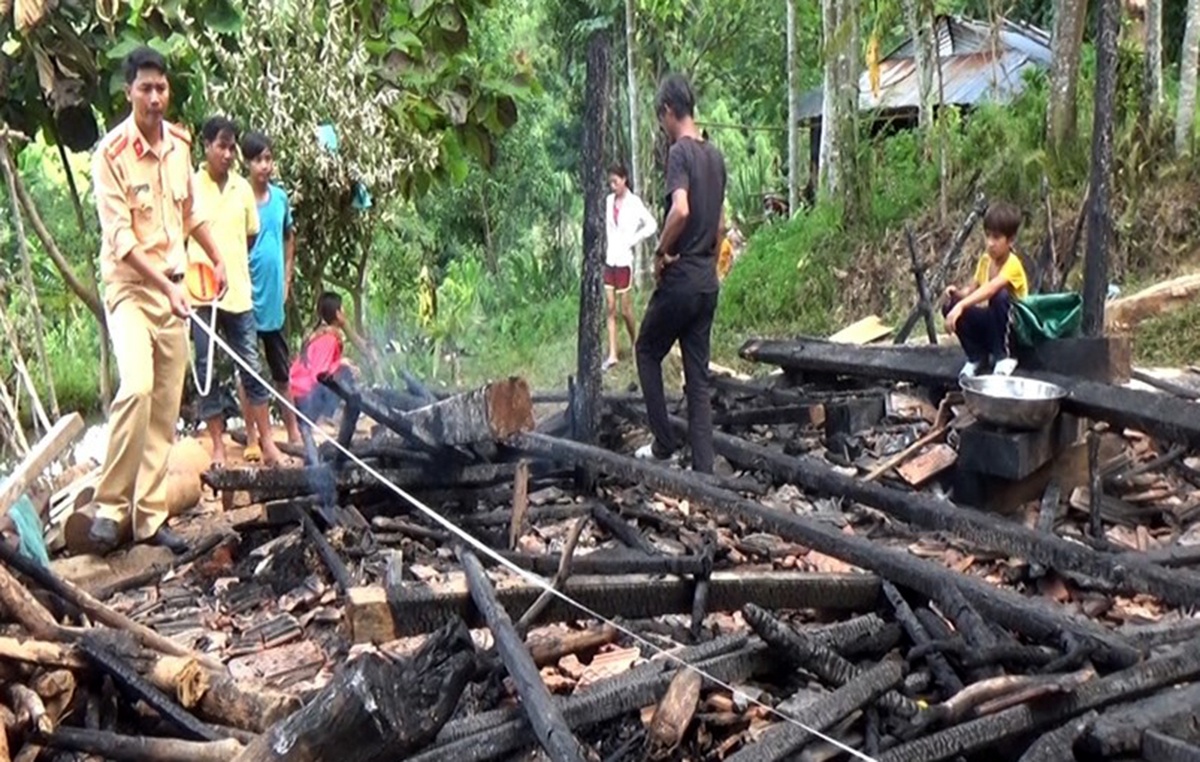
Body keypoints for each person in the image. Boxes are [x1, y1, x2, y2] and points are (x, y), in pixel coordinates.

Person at [88, 46, 227, 554]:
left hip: (175, 288)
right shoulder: (110, 155)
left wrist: (217, 258)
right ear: (128, 92)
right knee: (138, 388)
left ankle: (148, 517)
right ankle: (108, 508)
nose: (154, 97)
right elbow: (121, 240)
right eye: (145, 88)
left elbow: (190, 213)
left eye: (161, 88)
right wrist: (166, 287)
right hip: (131, 289)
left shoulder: (180, 145)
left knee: (167, 404)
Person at [634, 74, 726, 474]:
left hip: (683, 275)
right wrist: (708, 259)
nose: (663, 127)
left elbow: (681, 209)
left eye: (662, 119)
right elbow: (720, 225)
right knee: (697, 378)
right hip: (707, 280)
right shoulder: (715, 157)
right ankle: (704, 471)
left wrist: (661, 251)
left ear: (669, 111)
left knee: (646, 350)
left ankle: (663, 443)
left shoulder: (680, 154)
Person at [187, 116, 285, 468]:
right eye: (221, 146)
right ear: (206, 146)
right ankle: (217, 445)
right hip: (201, 296)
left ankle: (268, 444)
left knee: (251, 368)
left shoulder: (243, 188)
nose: (227, 154)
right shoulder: (190, 185)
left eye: (232, 148)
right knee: (206, 370)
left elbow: (250, 235)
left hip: (240, 295)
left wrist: (231, 262)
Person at [242, 131, 302, 445]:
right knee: (247, 370)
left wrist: (287, 277)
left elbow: (289, 237)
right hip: (244, 298)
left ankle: (293, 430)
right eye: (257, 160)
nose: (264, 165)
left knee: (281, 370)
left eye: (268, 158)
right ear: (247, 163)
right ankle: (253, 437)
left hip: (274, 297)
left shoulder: (280, 198)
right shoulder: (239, 197)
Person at [943, 201, 1029, 379]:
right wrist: (957, 296)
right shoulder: (985, 261)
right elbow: (971, 290)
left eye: (996, 238)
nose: (990, 243)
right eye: (987, 236)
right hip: (993, 325)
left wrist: (962, 306)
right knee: (950, 304)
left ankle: (1004, 357)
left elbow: (992, 289)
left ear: (1010, 240)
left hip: (1014, 330)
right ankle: (977, 356)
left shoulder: (1013, 264)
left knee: (999, 295)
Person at [603, 163, 657, 371]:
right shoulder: (608, 201)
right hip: (610, 258)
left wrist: (634, 239)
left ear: (624, 179)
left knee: (625, 309)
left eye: (615, 181)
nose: (613, 186)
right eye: (610, 182)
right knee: (610, 306)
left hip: (625, 259)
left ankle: (637, 343)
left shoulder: (634, 203)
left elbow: (651, 225)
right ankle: (613, 353)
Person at [289, 293, 357, 455]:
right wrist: (341, 363)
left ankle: (322, 419)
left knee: (344, 370)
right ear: (338, 313)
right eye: (343, 309)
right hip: (305, 397)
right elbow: (319, 373)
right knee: (345, 373)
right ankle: (324, 420)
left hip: (300, 394)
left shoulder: (322, 334)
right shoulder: (329, 338)